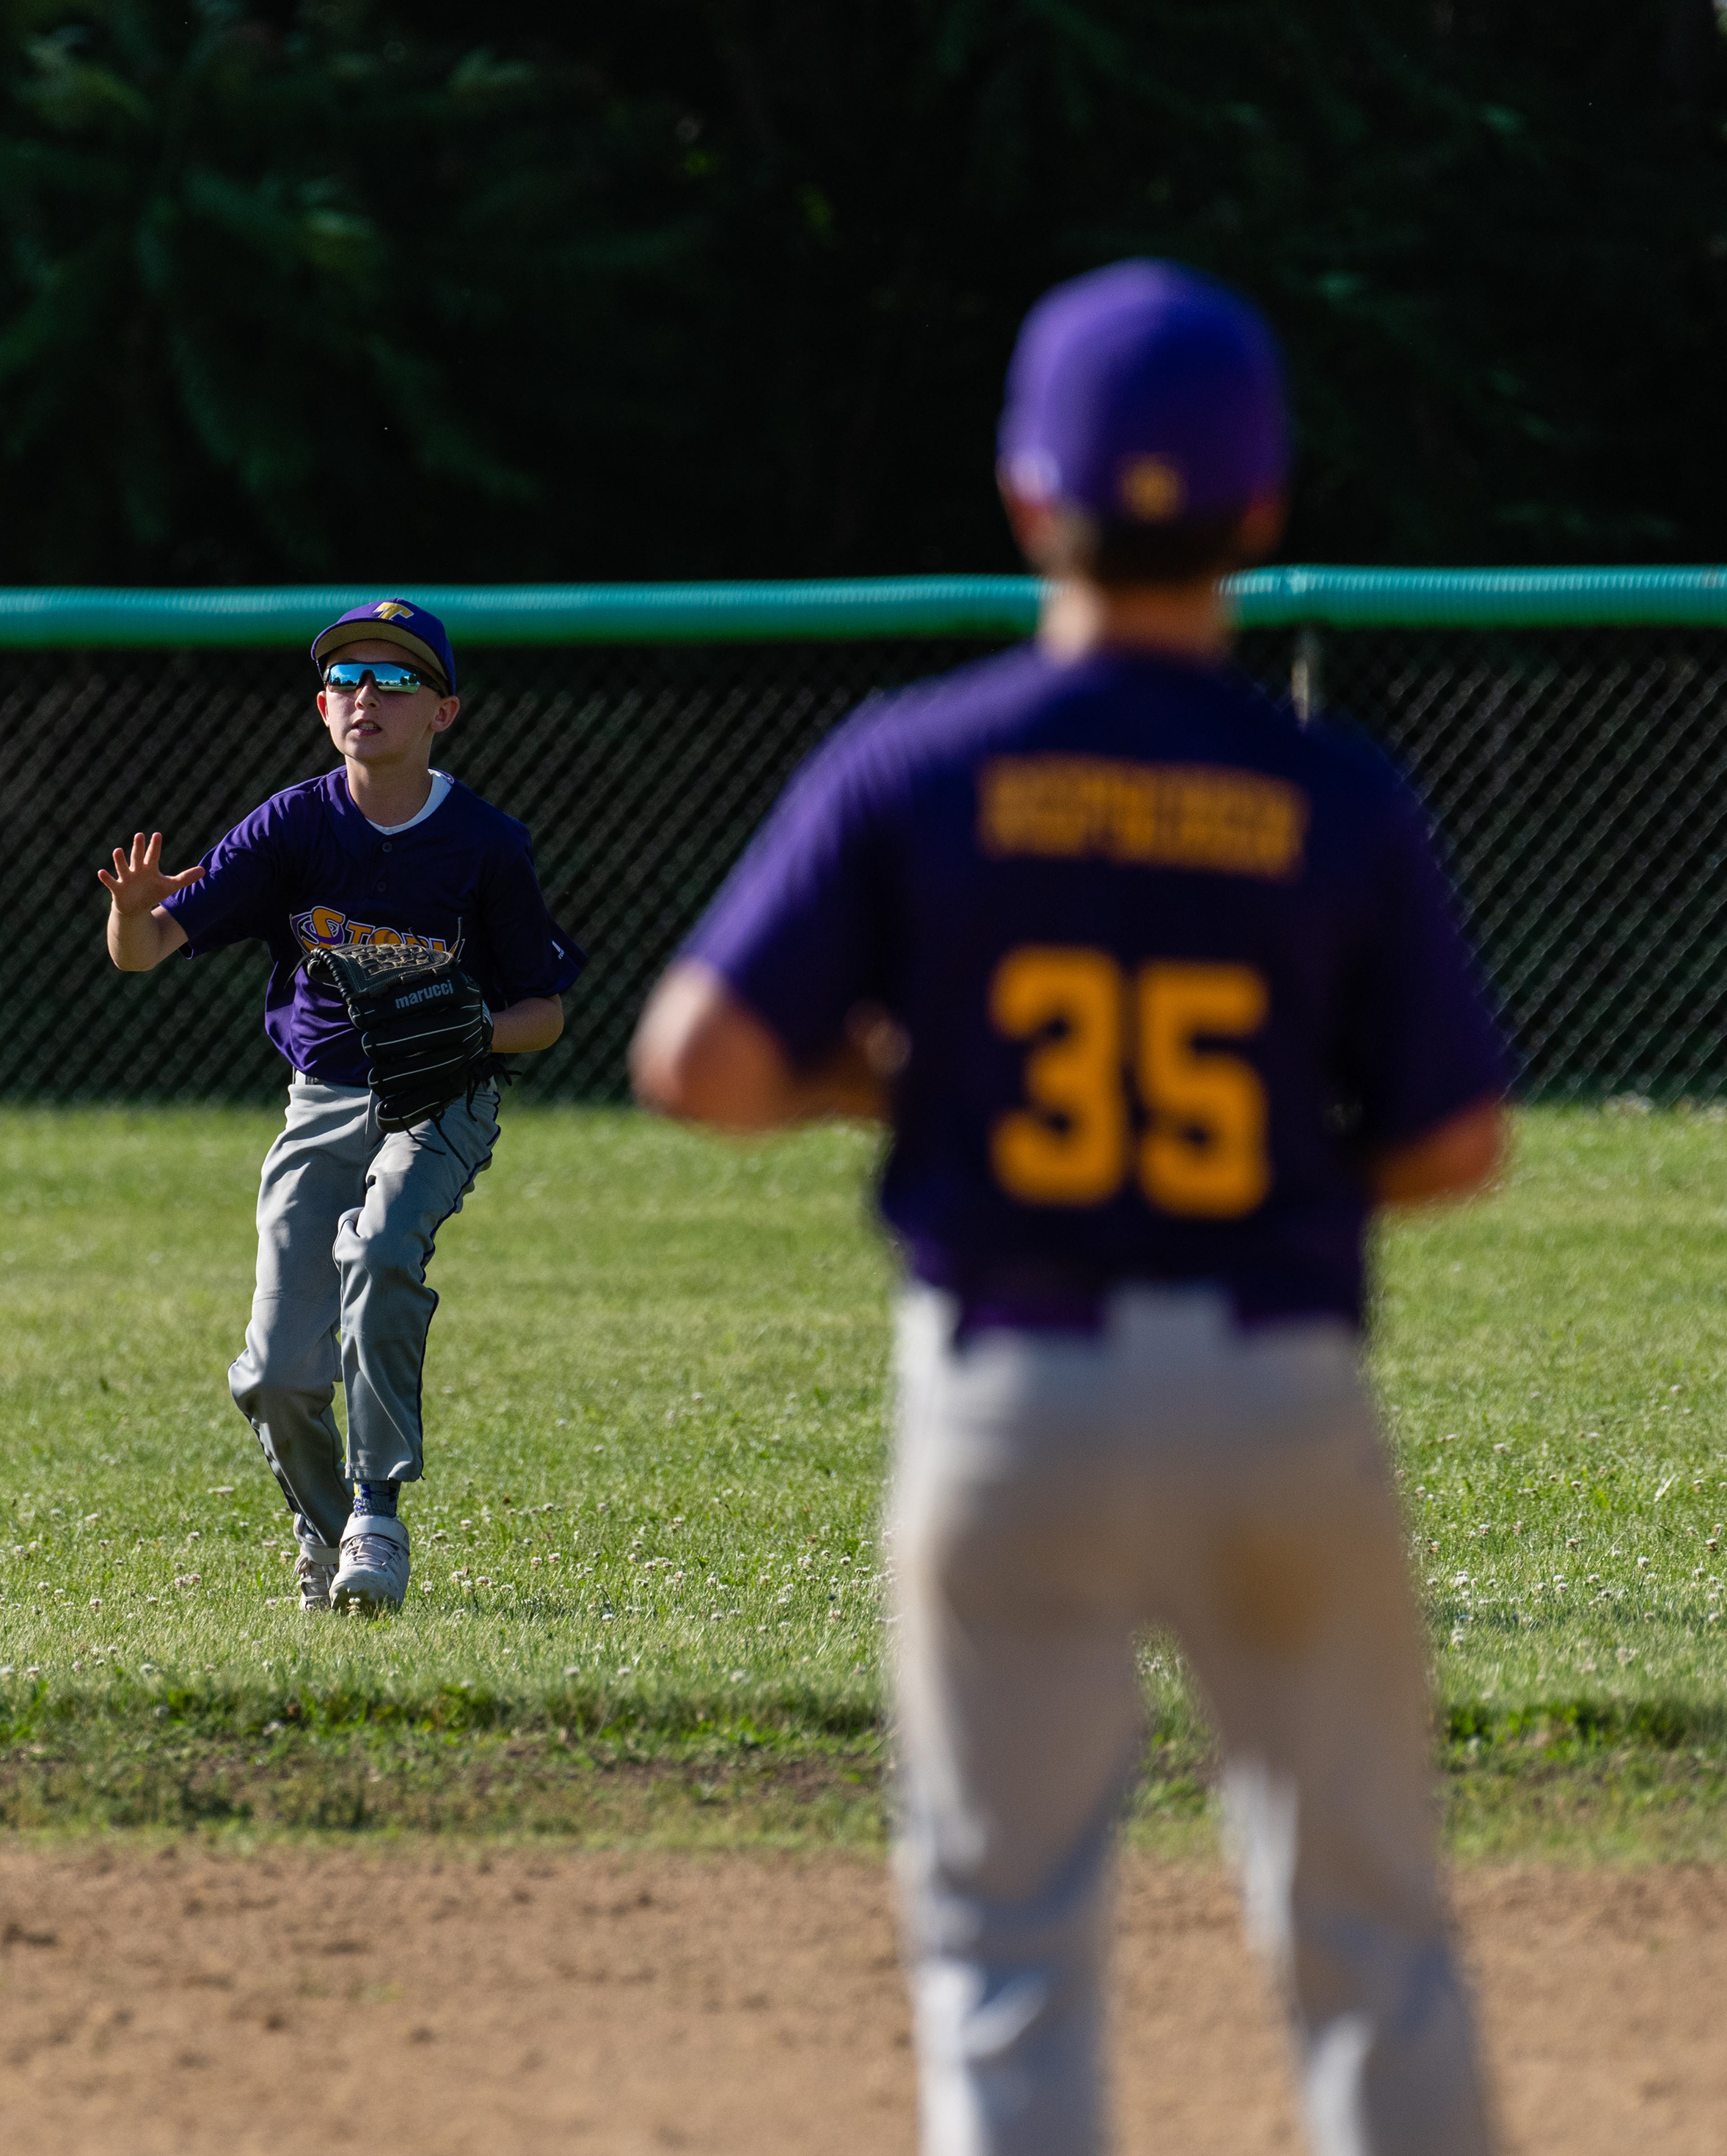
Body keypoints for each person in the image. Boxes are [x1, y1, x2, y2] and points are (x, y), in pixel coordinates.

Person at [630, 261, 1507, 2155]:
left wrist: (889, 1079)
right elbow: (1457, 1142)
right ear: (1261, 508)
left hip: (1009, 1392)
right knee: (1368, 1923)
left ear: (1029, 497)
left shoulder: (920, 762)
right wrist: (1288, 1176)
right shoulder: (1330, 792)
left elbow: (696, 1061)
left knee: (1004, 1940)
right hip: (1276, 1386)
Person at [100, 600, 583, 1614]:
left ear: (443, 712)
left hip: (440, 1099)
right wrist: (129, 912)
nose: (369, 695)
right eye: (348, 679)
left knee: (382, 1248)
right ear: (323, 708)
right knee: (277, 1374)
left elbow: (543, 1013)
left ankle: (376, 1512)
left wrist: (470, 1031)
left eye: (397, 679)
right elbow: (143, 952)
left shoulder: (485, 843)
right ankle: (326, 1533)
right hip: (321, 1101)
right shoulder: (294, 825)